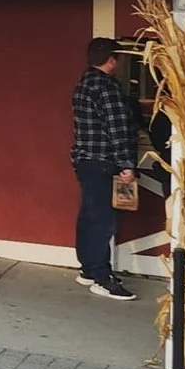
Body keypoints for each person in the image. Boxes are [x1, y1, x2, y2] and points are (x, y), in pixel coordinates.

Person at [68, 37, 139, 301]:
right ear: (111, 60)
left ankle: (88, 268)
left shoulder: (84, 83)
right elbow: (117, 128)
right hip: (102, 161)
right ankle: (101, 276)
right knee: (102, 221)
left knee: (89, 216)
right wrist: (126, 164)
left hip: (85, 160)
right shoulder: (107, 88)